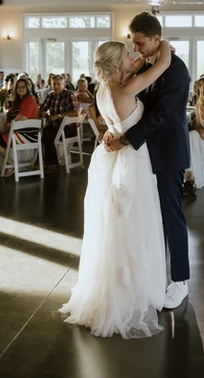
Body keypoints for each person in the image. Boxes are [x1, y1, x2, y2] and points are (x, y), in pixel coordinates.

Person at [59, 39, 171, 338]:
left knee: (115, 225)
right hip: (131, 161)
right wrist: (163, 45)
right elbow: (162, 65)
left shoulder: (103, 90)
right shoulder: (125, 89)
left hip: (114, 157)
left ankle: (117, 287)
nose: (133, 56)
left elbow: (114, 122)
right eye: (127, 54)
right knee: (134, 224)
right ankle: (128, 293)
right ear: (117, 63)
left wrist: (111, 132)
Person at [104, 12, 191, 310]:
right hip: (144, 154)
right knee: (145, 216)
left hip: (167, 152)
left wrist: (123, 139)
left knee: (171, 216)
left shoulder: (176, 70)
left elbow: (161, 116)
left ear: (156, 38)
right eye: (134, 44)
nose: (137, 49)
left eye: (141, 43)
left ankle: (180, 281)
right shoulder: (148, 63)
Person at [0, 77, 39, 177]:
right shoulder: (19, 101)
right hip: (20, 132)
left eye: (23, 87)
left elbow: (22, 116)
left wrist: (10, 123)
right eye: (18, 87)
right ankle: (11, 164)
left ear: (27, 88)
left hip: (28, 135)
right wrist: (7, 119)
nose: (20, 89)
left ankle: (10, 164)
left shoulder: (29, 99)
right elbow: (9, 113)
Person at [39, 75, 79, 173]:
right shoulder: (51, 95)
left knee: (47, 135)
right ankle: (44, 162)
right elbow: (41, 109)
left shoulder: (69, 95)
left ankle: (54, 165)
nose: (56, 86)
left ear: (64, 84)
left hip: (68, 128)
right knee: (40, 133)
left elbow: (75, 112)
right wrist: (43, 113)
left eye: (58, 84)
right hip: (56, 126)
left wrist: (58, 115)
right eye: (54, 84)